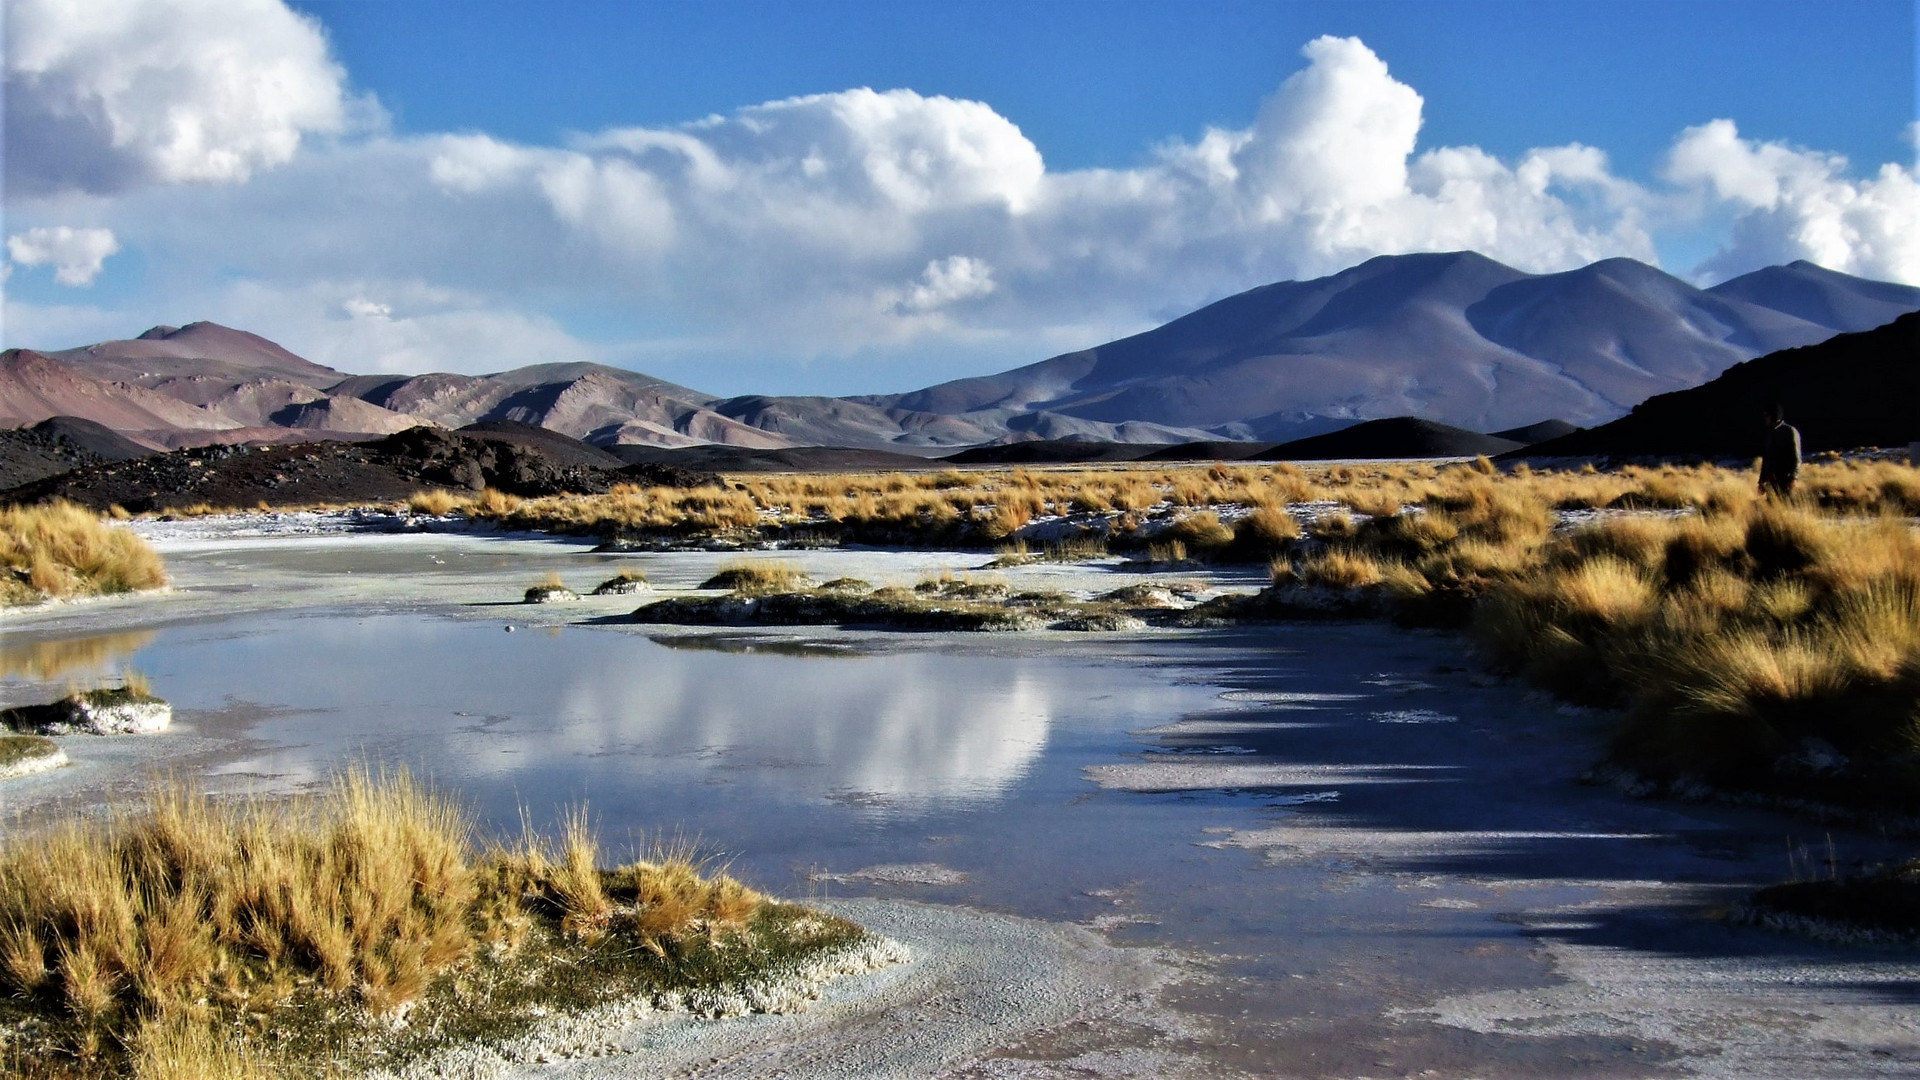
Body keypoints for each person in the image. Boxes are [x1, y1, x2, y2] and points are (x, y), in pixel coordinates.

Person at [1759, 403, 1801, 497]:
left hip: (1786, 480)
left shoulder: (1789, 431)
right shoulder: (1769, 434)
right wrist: (1762, 481)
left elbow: (1796, 457)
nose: (1765, 418)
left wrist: (1793, 477)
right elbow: (1766, 459)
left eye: (1767, 415)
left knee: (1786, 506)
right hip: (1771, 480)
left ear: (1775, 416)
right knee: (1772, 509)